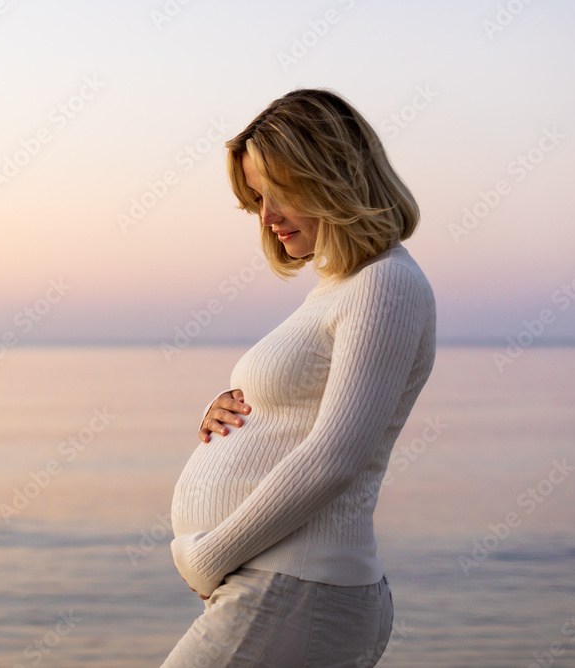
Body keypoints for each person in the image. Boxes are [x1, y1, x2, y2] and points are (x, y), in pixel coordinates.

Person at [162, 88, 436, 667]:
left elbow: (338, 454)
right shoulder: (341, 287)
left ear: (332, 175)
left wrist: (208, 557)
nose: (266, 217)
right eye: (257, 199)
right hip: (280, 589)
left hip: (297, 588)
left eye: (279, 193)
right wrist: (232, 411)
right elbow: (302, 408)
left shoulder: (385, 284)